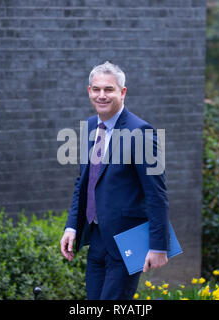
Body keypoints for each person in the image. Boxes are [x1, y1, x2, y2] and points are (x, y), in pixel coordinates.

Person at [60, 61, 169, 300]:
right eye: (96, 89)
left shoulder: (141, 132)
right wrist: (71, 226)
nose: (102, 95)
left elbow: (156, 193)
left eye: (109, 89)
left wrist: (159, 245)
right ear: (89, 91)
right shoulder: (90, 126)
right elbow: (85, 182)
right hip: (96, 237)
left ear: (122, 92)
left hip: (127, 241)